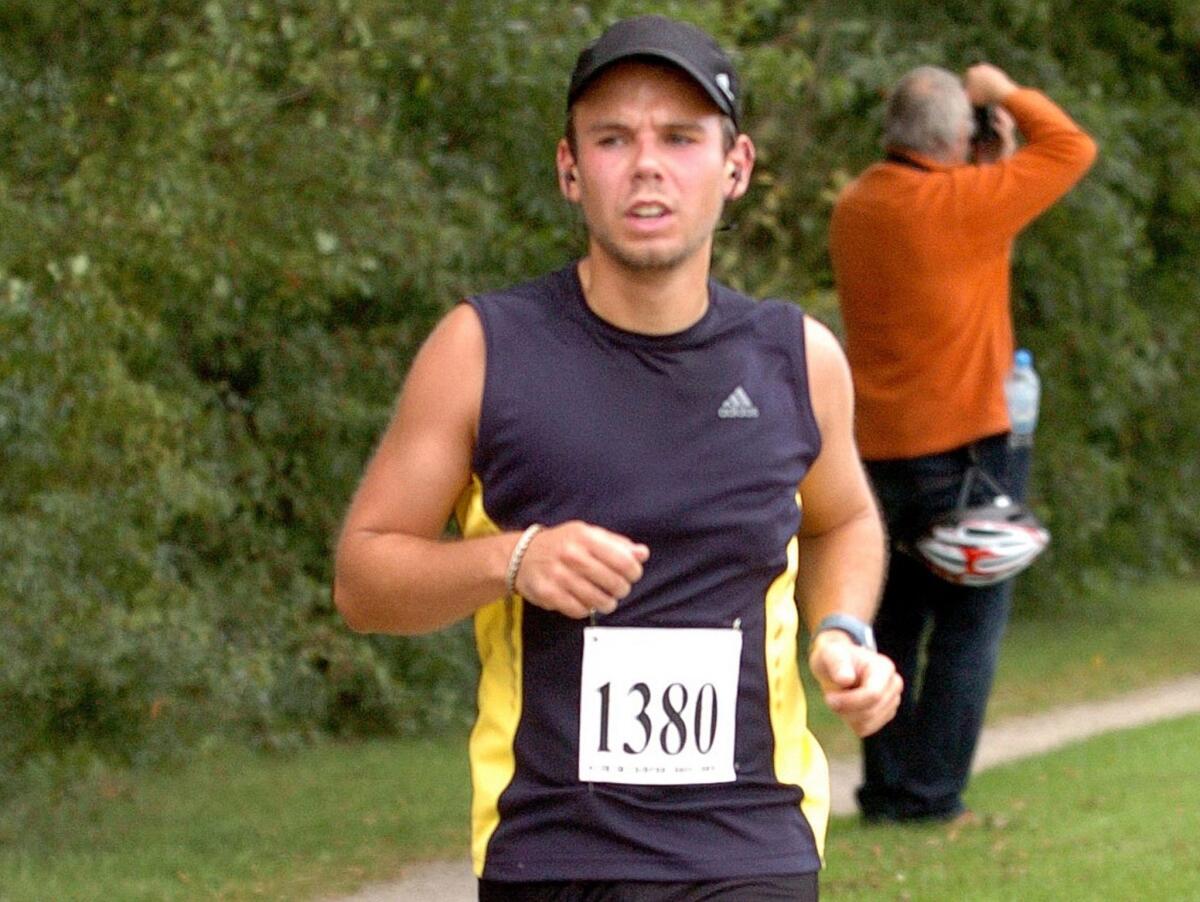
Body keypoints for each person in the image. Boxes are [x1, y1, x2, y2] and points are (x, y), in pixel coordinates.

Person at [335, 15, 902, 900]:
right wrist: (513, 559)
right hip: (556, 850)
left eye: (681, 138)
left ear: (735, 167)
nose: (647, 164)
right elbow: (364, 583)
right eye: (613, 138)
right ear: (570, 169)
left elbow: (845, 520)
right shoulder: (484, 350)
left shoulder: (796, 357)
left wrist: (844, 634)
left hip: (751, 844)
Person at [829, 63, 1097, 823]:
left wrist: (981, 163)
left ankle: (887, 789)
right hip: (968, 454)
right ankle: (932, 795)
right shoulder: (965, 203)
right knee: (969, 628)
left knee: (894, 627)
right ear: (954, 136)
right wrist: (1000, 88)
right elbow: (1071, 146)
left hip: (878, 452)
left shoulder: (857, 206)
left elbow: (951, 243)